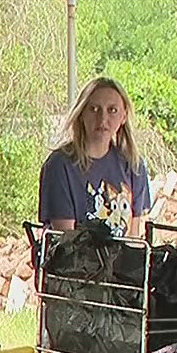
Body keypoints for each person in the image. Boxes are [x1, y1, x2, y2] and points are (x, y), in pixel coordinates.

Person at [39, 76, 151, 240]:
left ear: (124, 116)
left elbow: (134, 237)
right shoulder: (60, 166)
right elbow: (66, 241)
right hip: (77, 261)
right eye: (94, 109)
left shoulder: (134, 165)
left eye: (112, 110)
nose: (103, 119)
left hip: (122, 262)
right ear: (81, 113)